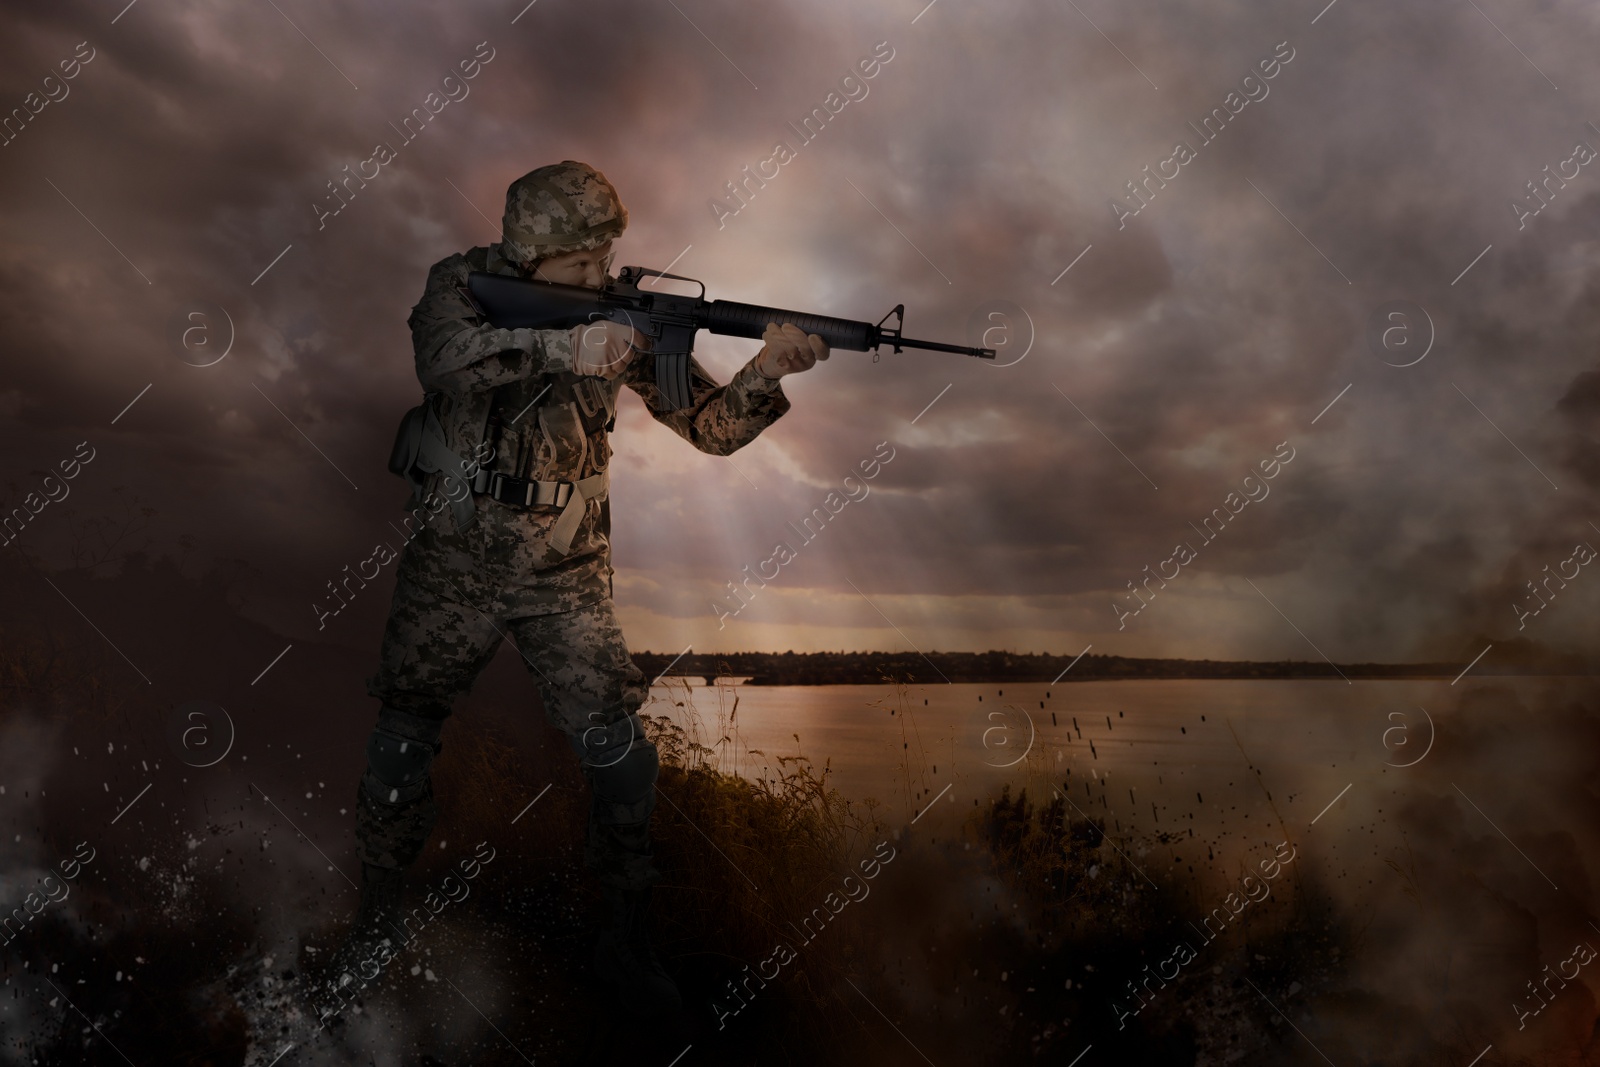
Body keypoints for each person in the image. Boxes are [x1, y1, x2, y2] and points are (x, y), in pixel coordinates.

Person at [322, 160, 828, 1019]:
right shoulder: (461, 285)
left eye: (607, 258)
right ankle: (374, 923)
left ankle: (623, 941)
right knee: (404, 736)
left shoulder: (623, 318)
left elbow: (707, 430)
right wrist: (567, 342)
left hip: (567, 571)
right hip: (454, 560)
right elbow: (444, 362)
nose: (601, 276)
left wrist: (766, 373)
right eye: (581, 265)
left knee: (621, 757)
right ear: (529, 255)